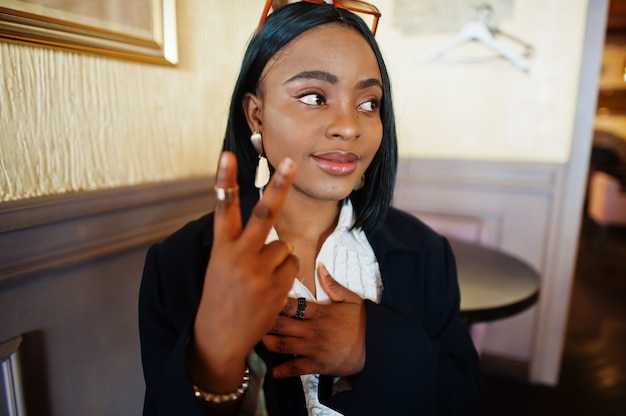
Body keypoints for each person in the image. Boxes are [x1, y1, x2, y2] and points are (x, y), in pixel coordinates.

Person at [138, 1, 482, 415]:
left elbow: (465, 398)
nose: (350, 126)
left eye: (368, 103)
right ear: (256, 114)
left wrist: (372, 347)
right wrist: (213, 358)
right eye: (315, 96)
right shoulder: (177, 263)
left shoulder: (426, 252)